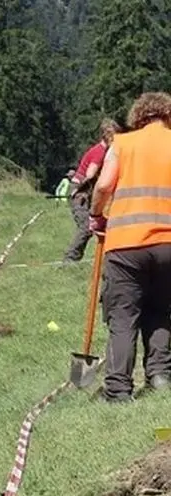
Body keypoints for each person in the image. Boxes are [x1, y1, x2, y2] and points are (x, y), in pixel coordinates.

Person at [89, 93, 171, 403]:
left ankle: (118, 390)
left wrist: (97, 215)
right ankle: (160, 376)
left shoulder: (123, 145)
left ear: (137, 116)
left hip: (127, 244)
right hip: (169, 245)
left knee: (123, 316)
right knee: (160, 310)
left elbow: (103, 185)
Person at [64, 119, 120, 264]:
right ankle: (70, 260)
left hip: (84, 192)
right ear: (108, 137)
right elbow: (90, 174)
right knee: (86, 227)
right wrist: (77, 190)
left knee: (95, 226)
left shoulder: (100, 150)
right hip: (80, 192)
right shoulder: (100, 153)